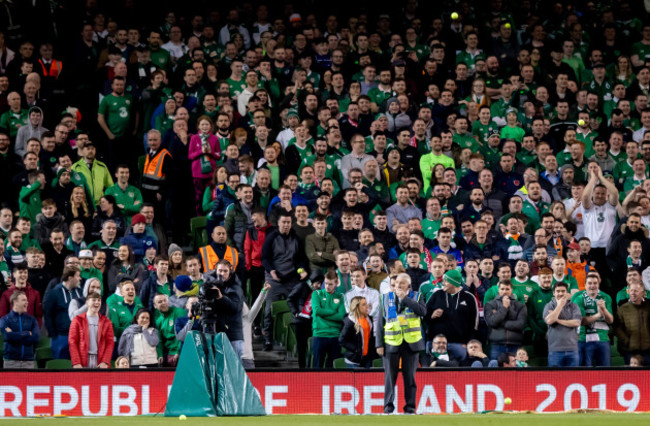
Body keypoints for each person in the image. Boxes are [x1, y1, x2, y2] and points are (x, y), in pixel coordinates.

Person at [375, 272, 426, 414]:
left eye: (402, 284)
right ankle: (388, 407)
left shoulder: (417, 296)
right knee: (389, 378)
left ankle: (410, 408)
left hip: (411, 344)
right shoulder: (385, 298)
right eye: (396, 284)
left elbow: (422, 312)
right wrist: (379, 344)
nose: (398, 287)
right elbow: (380, 322)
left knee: (410, 378)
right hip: (391, 342)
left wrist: (405, 299)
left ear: (408, 286)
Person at [260, 210, 308, 350]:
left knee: (296, 309)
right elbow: (265, 258)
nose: (286, 225)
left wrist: (302, 269)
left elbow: (300, 259)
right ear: (278, 223)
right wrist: (272, 271)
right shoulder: (271, 237)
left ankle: (295, 341)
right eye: (283, 222)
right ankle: (267, 339)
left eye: (288, 222)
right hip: (274, 278)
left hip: (291, 279)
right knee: (269, 310)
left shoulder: (296, 238)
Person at [425, 269, 478, 360]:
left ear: (454, 283)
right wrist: (431, 316)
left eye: (446, 281)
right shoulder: (437, 294)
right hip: (436, 343)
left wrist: (469, 342)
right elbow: (424, 316)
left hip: (459, 344)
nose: (443, 283)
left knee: (458, 372)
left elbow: (473, 323)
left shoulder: (469, 297)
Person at [571, 273, 614, 366]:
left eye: (595, 283)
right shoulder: (578, 298)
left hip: (602, 338)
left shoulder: (606, 297)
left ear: (598, 285)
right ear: (585, 285)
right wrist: (599, 315)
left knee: (605, 370)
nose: (592, 286)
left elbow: (610, 320)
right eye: (589, 283)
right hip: (584, 338)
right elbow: (580, 321)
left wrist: (604, 309)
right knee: (585, 372)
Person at [43, 266, 83, 359]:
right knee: (61, 367)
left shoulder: (80, 293)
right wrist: (54, 335)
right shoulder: (53, 293)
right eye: (78, 276)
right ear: (70, 278)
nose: (80, 278)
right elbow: (48, 315)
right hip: (61, 337)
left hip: (79, 336)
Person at [68, 292, 114, 368]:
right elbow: (72, 342)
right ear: (87, 303)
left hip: (100, 362)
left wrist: (105, 361)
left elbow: (110, 343)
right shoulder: (77, 320)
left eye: (99, 300)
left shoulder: (107, 322)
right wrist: (76, 362)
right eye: (94, 300)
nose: (97, 302)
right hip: (82, 362)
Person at [484, 280, 527, 360]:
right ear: (498, 290)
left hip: (515, 344)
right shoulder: (490, 304)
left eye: (507, 289)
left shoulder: (520, 306)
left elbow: (521, 325)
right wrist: (504, 307)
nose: (504, 291)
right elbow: (492, 322)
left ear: (511, 290)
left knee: (516, 371)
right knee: (495, 371)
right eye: (502, 289)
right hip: (496, 345)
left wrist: (501, 322)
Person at [311, 270, 346, 368]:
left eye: (330, 284)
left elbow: (341, 316)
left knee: (332, 369)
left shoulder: (341, 297)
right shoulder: (316, 294)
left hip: (335, 336)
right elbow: (317, 311)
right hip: (319, 335)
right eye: (325, 283)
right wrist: (334, 312)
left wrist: (324, 313)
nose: (327, 286)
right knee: (317, 367)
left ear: (336, 283)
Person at [543, 281, 582, 367]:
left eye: (563, 291)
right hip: (555, 351)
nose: (560, 293)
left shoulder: (574, 306)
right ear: (553, 293)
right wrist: (560, 305)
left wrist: (557, 320)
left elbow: (577, 322)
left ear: (567, 292)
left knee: (573, 378)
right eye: (558, 291)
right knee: (555, 378)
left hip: (572, 350)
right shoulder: (549, 306)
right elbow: (549, 321)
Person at [0, 291, 39, 368]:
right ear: (15, 302)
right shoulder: (4, 320)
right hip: (10, 362)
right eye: (24, 300)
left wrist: (14, 335)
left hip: (28, 362)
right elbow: (8, 337)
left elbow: (35, 338)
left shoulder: (32, 320)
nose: (27, 302)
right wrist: (27, 333)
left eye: (27, 300)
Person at [616, 281, 650, 365]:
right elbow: (618, 327)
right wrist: (627, 342)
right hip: (630, 351)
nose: (633, 293)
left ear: (643, 293)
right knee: (632, 377)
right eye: (631, 291)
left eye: (636, 291)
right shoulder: (623, 308)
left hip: (648, 351)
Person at [339, 295, 376, 368]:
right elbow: (341, 340)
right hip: (353, 360)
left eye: (366, 303)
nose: (367, 306)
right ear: (357, 307)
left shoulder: (369, 319)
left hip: (367, 358)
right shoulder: (349, 321)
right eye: (363, 304)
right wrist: (355, 349)